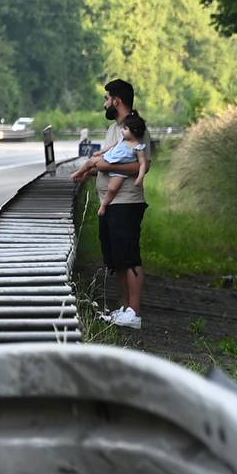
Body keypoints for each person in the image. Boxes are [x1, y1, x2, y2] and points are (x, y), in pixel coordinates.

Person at [78, 111, 153, 329]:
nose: (105, 103)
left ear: (117, 100)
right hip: (110, 204)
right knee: (116, 258)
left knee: (129, 256)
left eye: (107, 98)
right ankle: (125, 308)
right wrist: (91, 169)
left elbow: (142, 165)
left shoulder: (138, 129)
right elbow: (108, 160)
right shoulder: (114, 129)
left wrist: (108, 167)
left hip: (126, 203)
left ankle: (134, 312)